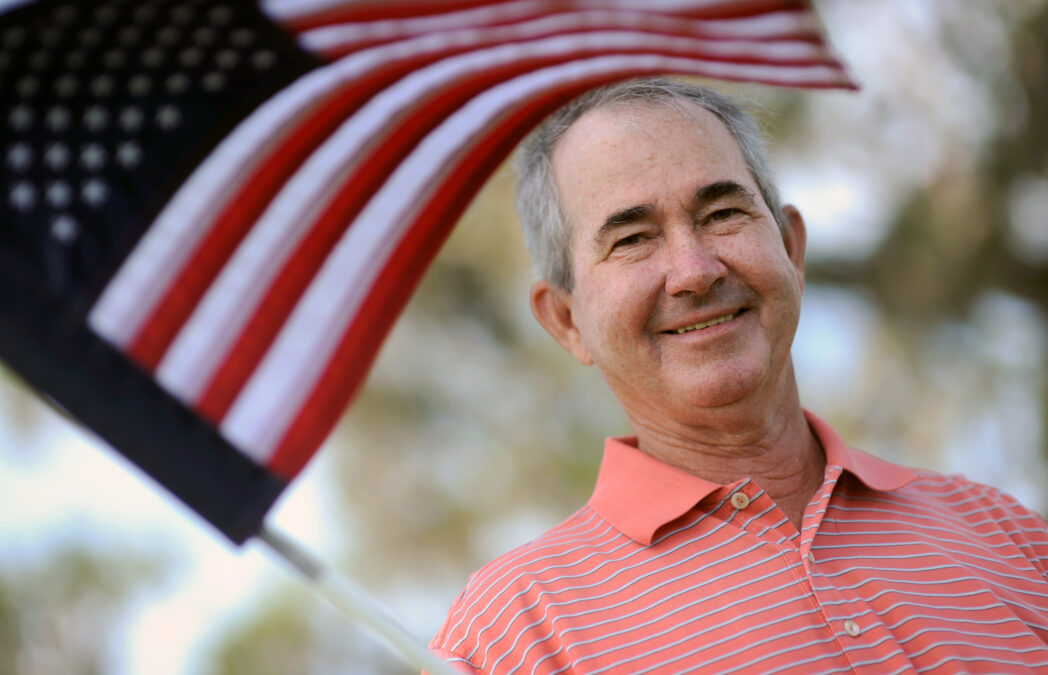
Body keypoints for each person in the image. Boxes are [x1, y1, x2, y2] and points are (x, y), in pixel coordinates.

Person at [428, 78, 1048, 674]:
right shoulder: (510, 639)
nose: (694, 271)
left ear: (792, 249)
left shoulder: (1007, 534)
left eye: (722, 212)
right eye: (633, 238)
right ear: (566, 321)